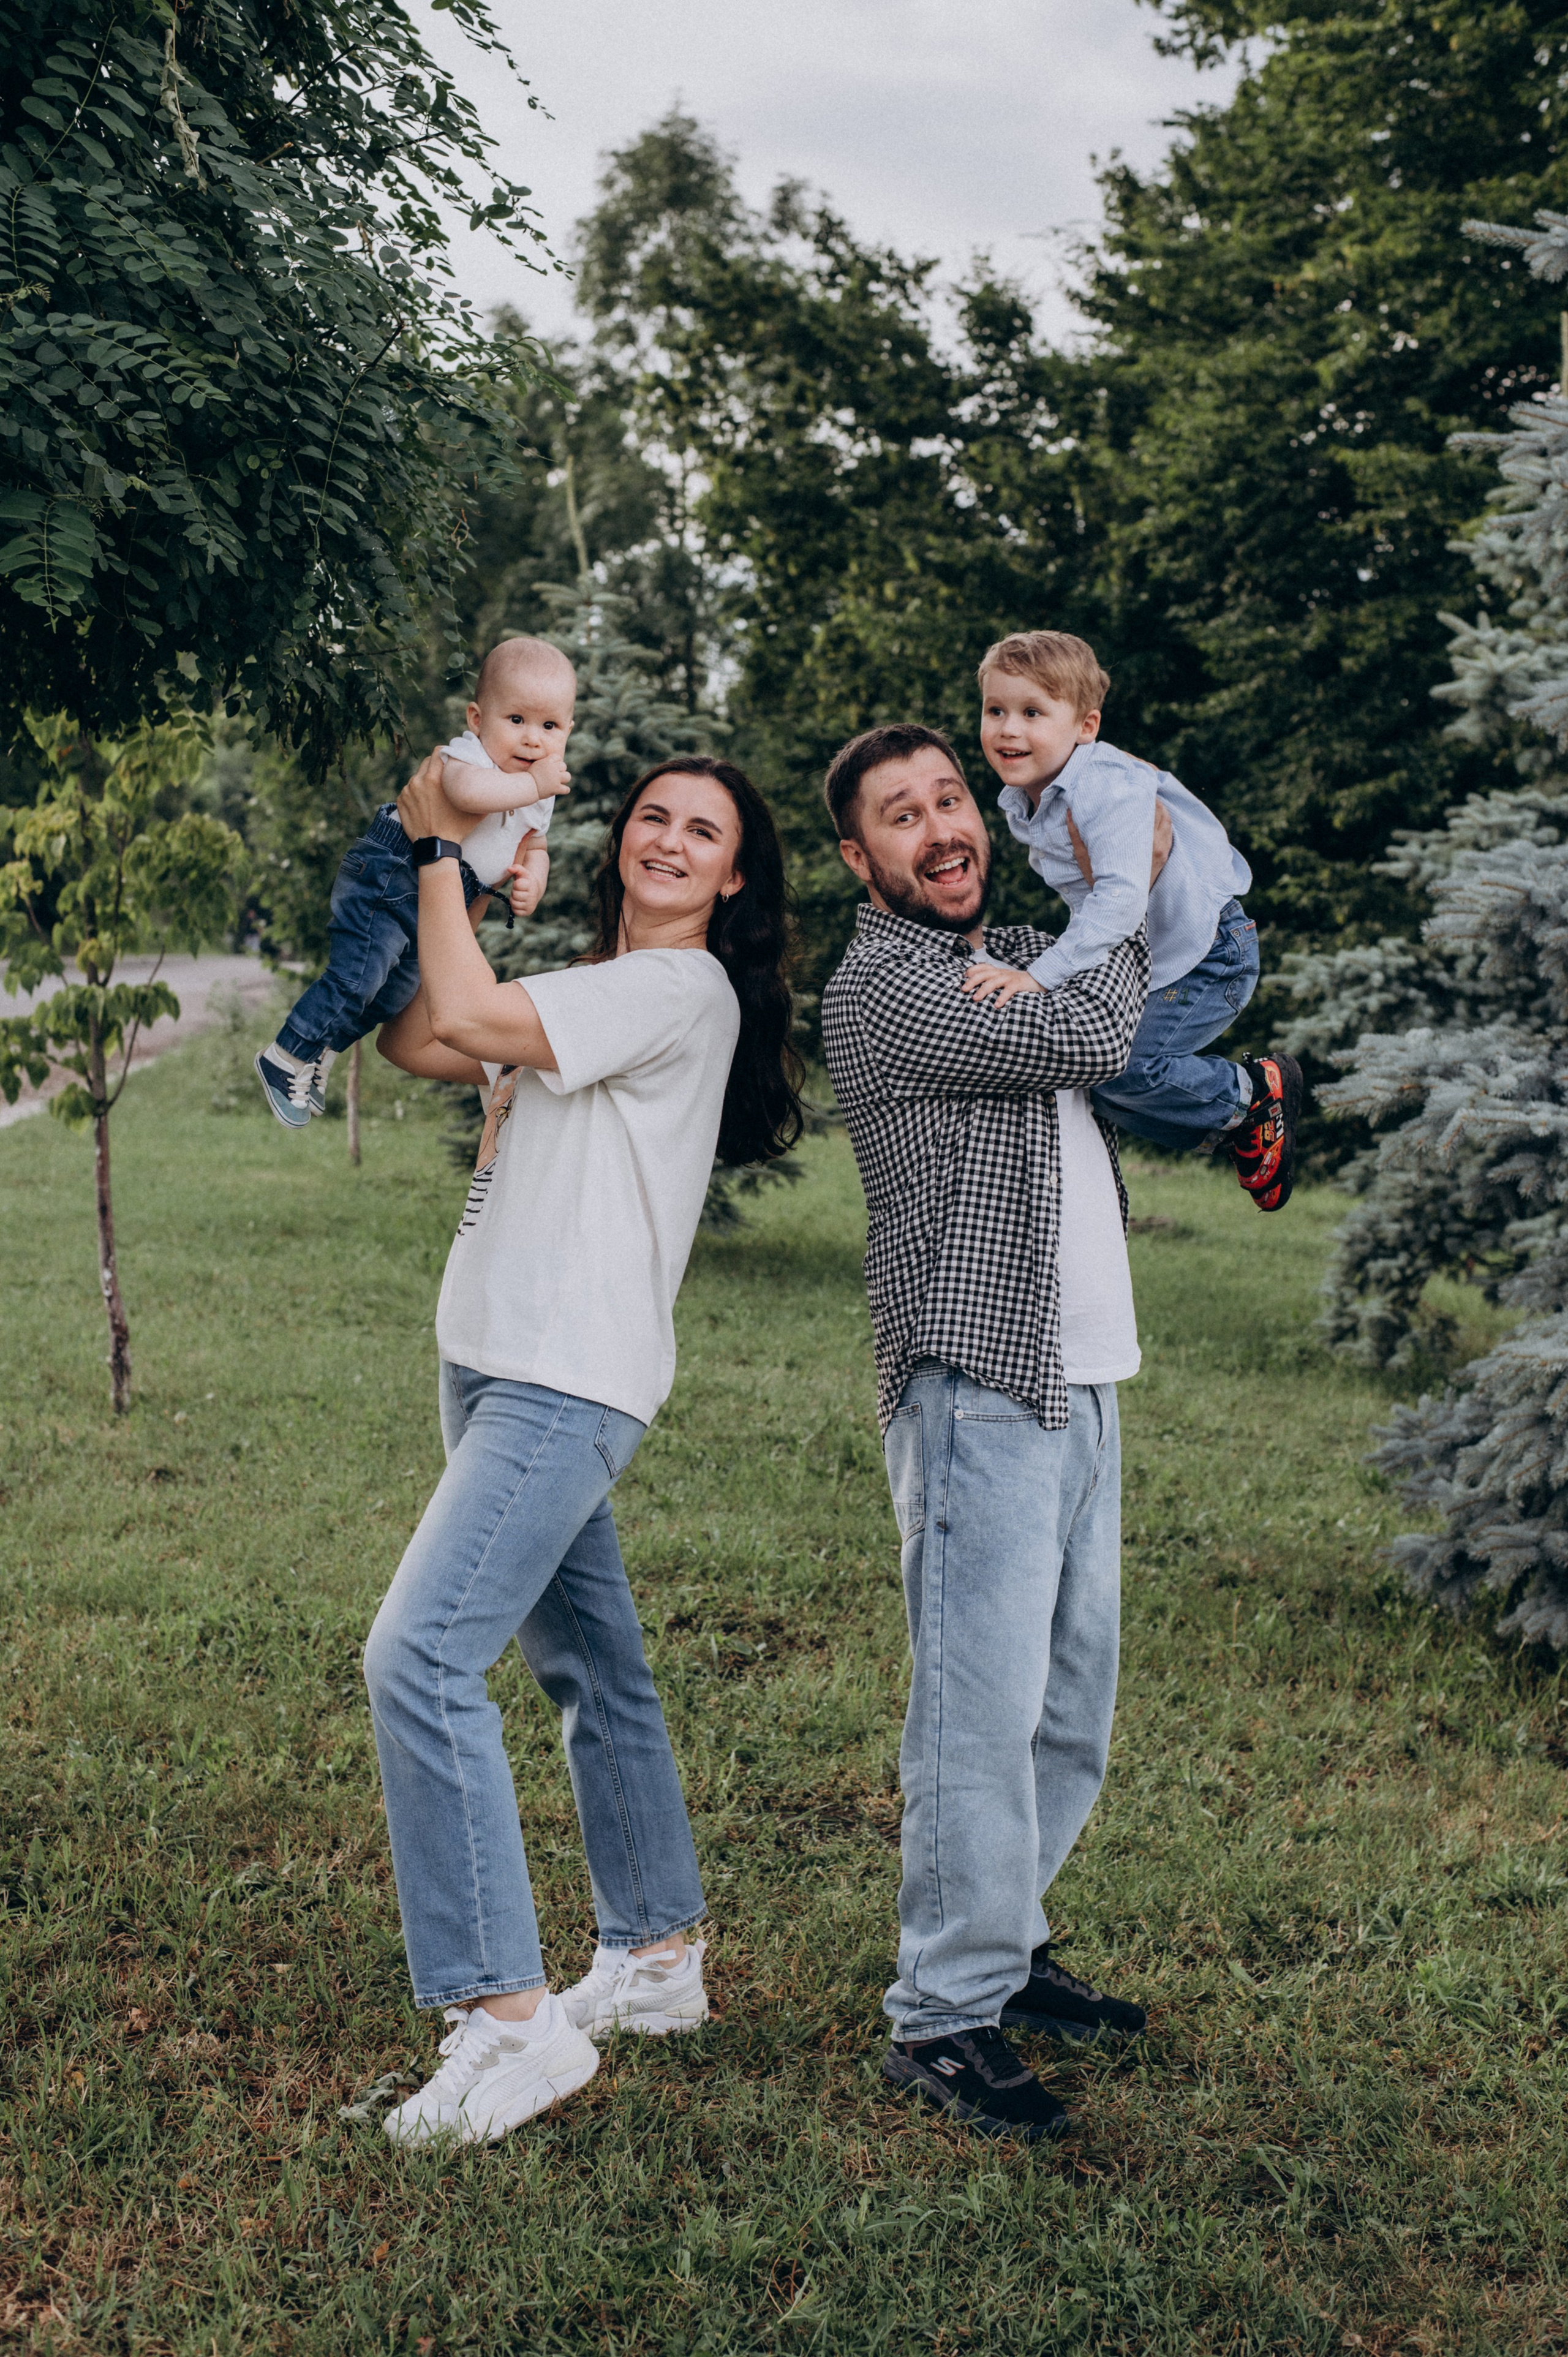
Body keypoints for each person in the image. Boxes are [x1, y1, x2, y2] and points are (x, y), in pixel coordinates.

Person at [364, 751, 802, 2146]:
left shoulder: (678, 988)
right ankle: (657, 1956)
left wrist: (438, 851)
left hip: (564, 1377)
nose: (669, 841)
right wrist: (470, 870)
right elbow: (422, 1034)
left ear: (732, 876)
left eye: (703, 832)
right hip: (496, 1358)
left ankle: (511, 2022)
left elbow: (474, 1011)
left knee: (419, 1655)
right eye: (655, 819)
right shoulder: (592, 987)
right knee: (589, 1663)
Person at [820, 722, 1153, 2147]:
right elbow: (1090, 1029)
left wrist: (1103, 915)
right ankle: (940, 2013)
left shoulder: (1019, 934)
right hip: (976, 1379)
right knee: (975, 1705)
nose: (940, 827)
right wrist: (1130, 901)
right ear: (860, 857)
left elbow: (1129, 1002)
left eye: (951, 797)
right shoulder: (891, 979)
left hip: (1081, 1377)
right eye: (901, 815)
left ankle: (1004, 1950)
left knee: (1066, 1701)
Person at [971, 628, 1303, 1212]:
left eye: (1032, 712)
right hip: (1162, 950)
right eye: (995, 710)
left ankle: (1252, 1096)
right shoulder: (1031, 796)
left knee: (1124, 1070)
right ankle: (1238, 1130)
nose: (1008, 729)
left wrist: (1041, 976)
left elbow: (1119, 901)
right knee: (1102, 1089)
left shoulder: (1106, 788)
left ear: (1086, 727)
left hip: (1209, 952)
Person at [252, 636, 573, 1127]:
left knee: (393, 995)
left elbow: (536, 844)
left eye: (550, 726)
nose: (534, 739)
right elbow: (466, 795)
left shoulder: (540, 790)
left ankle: (324, 1049)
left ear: (568, 730)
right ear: (477, 720)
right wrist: (533, 785)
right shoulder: (472, 759)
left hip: (439, 896)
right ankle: (284, 1055)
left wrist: (535, 879)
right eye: (517, 721)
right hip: (392, 873)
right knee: (359, 976)